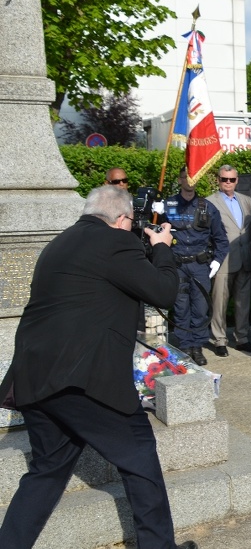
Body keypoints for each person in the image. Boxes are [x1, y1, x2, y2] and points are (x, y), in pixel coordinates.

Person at [0, 186, 198, 549]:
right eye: (131, 222)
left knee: (46, 471)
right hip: (85, 380)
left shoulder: (59, 243)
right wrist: (161, 248)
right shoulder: (115, 242)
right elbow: (163, 292)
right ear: (121, 220)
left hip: (34, 376)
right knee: (139, 457)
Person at [164, 166, 229, 366]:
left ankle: (197, 347)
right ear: (179, 179)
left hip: (200, 265)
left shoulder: (208, 207)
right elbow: (154, 232)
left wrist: (217, 261)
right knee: (181, 307)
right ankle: (185, 347)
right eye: (185, 177)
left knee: (200, 308)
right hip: (177, 264)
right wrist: (154, 213)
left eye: (193, 177)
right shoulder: (168, 205)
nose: (189, 181)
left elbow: (221, 239)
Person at [206, 164, 251, 357]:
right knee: (219, 301)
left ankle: (242, 338)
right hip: (223, 259)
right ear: (218, 180)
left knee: (243, 301)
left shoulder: (246, 200)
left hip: (245, 257)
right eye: (224, 179)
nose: (228, 182)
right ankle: (219, 340)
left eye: (232, 179)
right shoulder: (209, 202)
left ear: (237, 180)